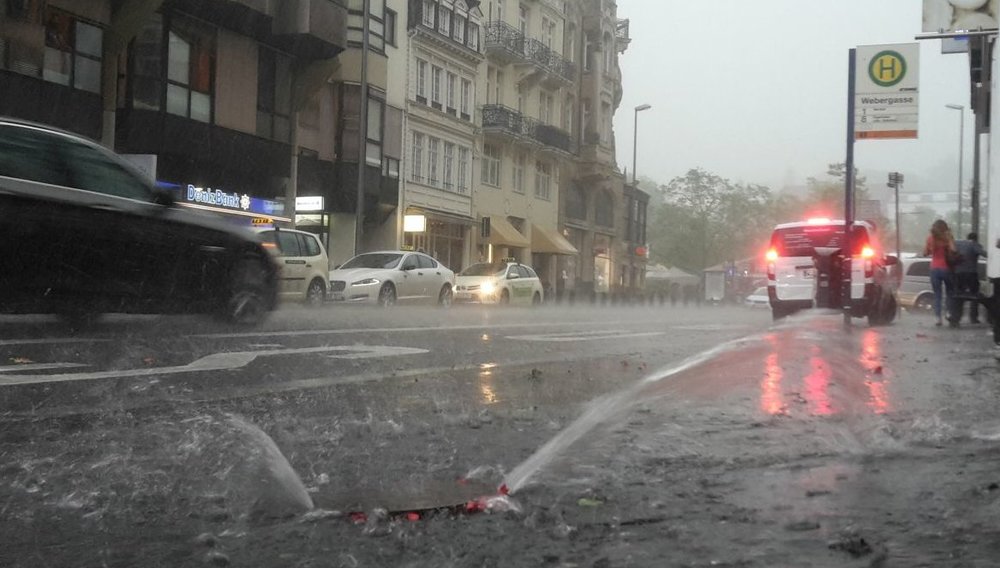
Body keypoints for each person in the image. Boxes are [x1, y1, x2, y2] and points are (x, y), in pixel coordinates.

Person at [922, 219, 958, 327]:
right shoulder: (947, 238)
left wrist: (929, 246)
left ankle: (938, 318)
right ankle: (948, 312)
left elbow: (924, 253)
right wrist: (950, 238)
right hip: (946, 268)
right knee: (950, 292)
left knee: (937, 295)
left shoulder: (930, 239)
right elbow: (954, 250)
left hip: (934, 269)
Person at [953, 232, 987, 324]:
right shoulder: (974, 244)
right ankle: (973, 317)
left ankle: (955, 318)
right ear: (976, 239)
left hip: (958, 273)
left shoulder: (958, 243)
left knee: (958, 296)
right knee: (975, 295)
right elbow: (984, 254)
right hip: (971, 273)